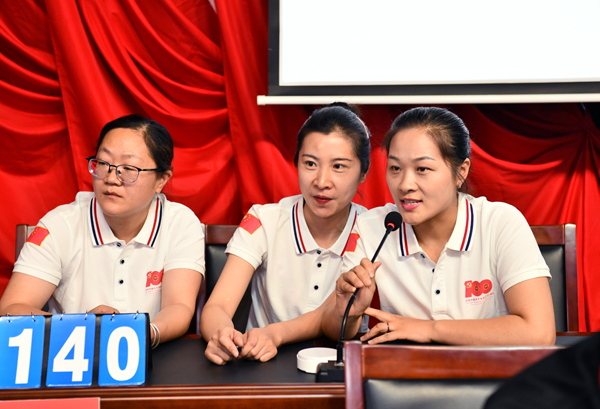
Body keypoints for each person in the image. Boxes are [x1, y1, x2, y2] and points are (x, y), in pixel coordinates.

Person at [322, 106, 556, 346]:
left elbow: (539, 333)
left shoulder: (501, 223)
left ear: (460, 172)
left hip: (492, 368)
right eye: (395, 168)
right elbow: (334, 330)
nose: (405, 184)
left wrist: (428, 329)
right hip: (408, 368)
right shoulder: (373, 227)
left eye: (422, 169)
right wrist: (347, 312)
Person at [0, 114, 204, 347]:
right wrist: (82, 327)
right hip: (71, 357)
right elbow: (11, 308)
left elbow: (179, 307)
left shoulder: (180, 223)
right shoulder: (60, 224)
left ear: (161, 180)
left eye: (128, 168)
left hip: (155, 356)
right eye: (104, 164)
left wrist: (142, 335)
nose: (111, 178)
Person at [200, 103, 371, 364]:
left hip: (344, 365)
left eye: (339, 167)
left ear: (363, 173)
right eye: (310, 163)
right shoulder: (264, 220)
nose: (321, 181)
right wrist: (220, 334)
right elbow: (217, 307)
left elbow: (333, 321)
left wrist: (274, 334)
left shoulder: (373, 228)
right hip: (262, 362)